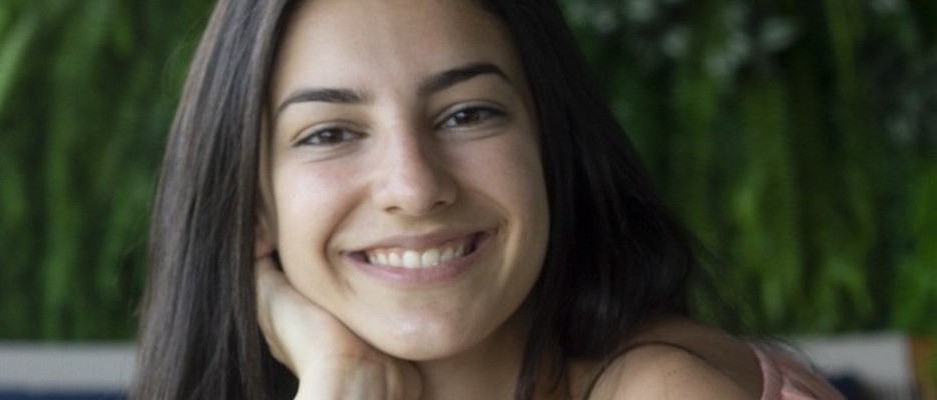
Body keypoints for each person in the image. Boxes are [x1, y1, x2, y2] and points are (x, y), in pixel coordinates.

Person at [132, 0, 845, 399]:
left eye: (467, 114)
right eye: (331, 134)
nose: (414, 187)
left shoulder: (665, 391)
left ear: (551, 148)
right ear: (254, 208)